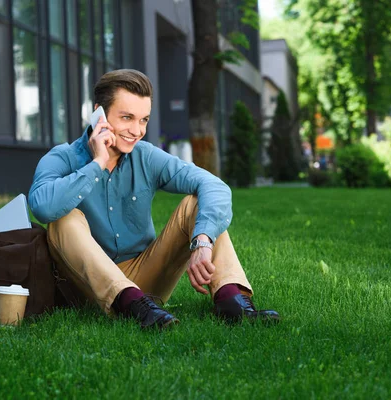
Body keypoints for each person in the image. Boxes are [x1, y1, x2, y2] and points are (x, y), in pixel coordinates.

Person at [29, 69, 279, 330]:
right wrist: (98, 163)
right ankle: (130, 304)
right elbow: (43, 207)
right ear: (98, 114)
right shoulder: (63, 158)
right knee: (64, 218)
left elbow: (213, 185)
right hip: (85, 285)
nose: (137, 131)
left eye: (143, 120)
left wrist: (202, 240)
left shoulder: (146, 156)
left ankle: (233, 303)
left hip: (145, 284)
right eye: (127, 118)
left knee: (196, 204)